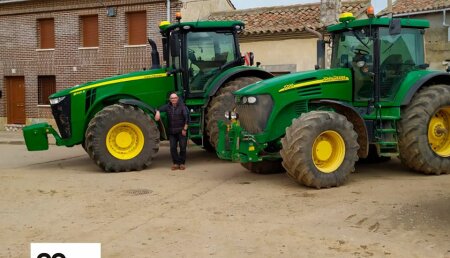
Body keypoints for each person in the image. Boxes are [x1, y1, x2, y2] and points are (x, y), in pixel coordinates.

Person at [155, 92, 189, 170]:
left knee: (183, 147)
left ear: (177, 98)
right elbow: (158, 108)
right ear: (170, 100)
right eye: (172, 98)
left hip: (181, 131)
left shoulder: (182, 107)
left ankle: (182, 163)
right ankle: (176, 163)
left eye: (175, 98)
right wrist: (157, 112)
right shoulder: (167, 107)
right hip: (172, 132)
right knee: (172, 148)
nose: (173, 99)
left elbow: (187, 119)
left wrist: (184, 129)